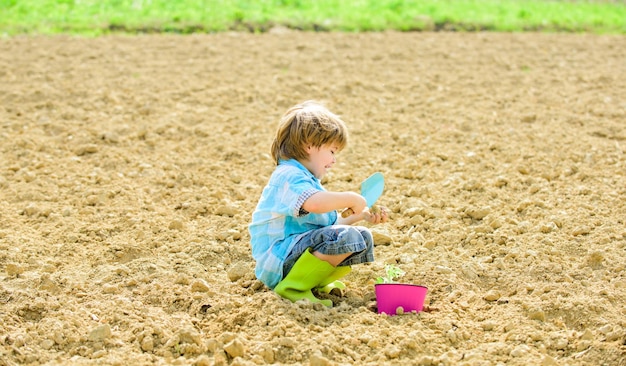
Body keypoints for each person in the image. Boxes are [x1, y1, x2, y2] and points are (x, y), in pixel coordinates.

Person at [248, 100, 389, 307]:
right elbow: (313, 204)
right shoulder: (288, 175)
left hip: (293, 254)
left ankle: (315, 282)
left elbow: (332, 224)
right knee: (344, 237)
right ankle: (294, 288)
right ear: (308, 146)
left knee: (361, 236)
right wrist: (350, 197)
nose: (333, 160)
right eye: (332, 151)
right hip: (278, 261)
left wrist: (362, 215)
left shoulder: (308, 182)